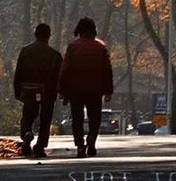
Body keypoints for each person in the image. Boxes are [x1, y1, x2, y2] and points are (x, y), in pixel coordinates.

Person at [57, 16, 114, 158]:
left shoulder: (73, 47)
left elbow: (65, 69)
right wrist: (108, 91)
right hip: (96, 88)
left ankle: (80, 145)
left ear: (79, 30)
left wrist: (63, 91)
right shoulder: (100, 47)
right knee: (95, 117)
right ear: (94, 30)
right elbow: (107, 70)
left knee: (77, 118)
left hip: (76, 89)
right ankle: (92, 139)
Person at [13, 22, 63, 157]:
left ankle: (26, 135)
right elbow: (60, 76)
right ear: (48, 36)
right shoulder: (54, 55)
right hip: (48, 91)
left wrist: (17, 91)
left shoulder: (25, 51)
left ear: (35, 35)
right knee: (45, 119)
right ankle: (40, 145)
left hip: (29, 89)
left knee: (28, 115)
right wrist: (62, 92)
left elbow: (18, 73)